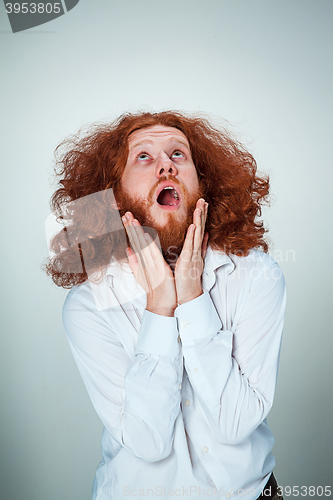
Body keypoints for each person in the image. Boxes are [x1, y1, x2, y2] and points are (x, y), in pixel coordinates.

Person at [46, 111, 286, 500]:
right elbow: (148, 442)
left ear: (201, 184)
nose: (166, 165)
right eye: (143, 156)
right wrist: (160, 305)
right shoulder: (89, 306)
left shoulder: (256, 274)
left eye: (179, 154)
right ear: (115, 194)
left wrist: (192, 299)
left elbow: (235, 422)